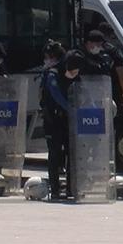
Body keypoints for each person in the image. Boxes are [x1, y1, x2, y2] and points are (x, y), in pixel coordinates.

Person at [41, 47, 83, 201]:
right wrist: (69, 107)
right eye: (71, 71)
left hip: (69, 121)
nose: (74, 74)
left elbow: (83, 91)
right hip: (53, 119)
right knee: (55, 154)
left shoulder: (76, 75)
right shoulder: (53, 74)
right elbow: (55, 92)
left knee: (72, 153)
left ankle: (72, 188)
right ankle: (55, 188)